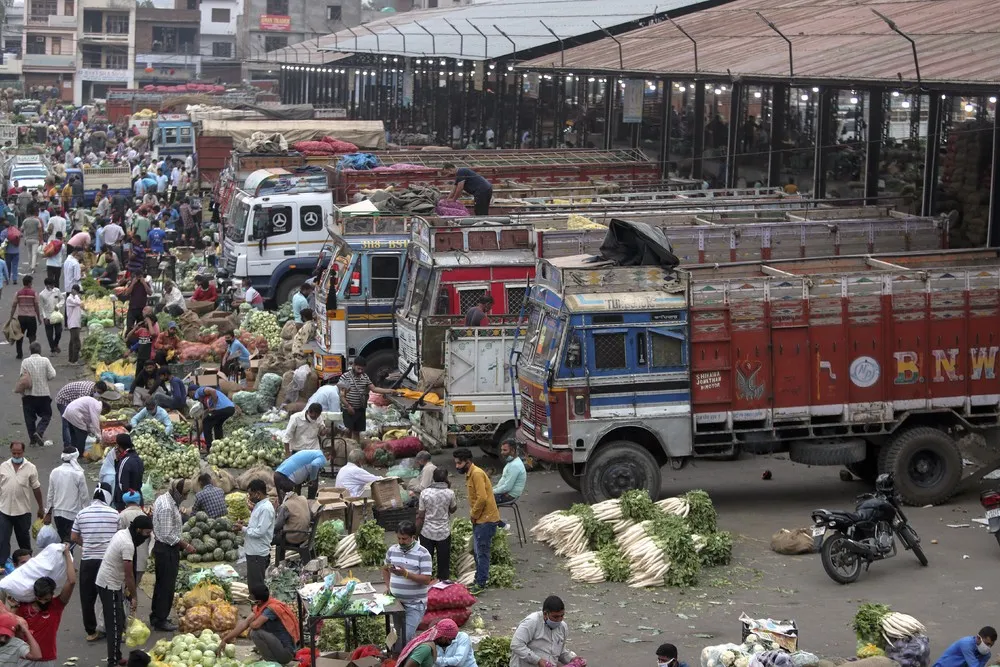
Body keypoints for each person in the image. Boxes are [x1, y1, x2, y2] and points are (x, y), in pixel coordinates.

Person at [95, 516, 153, 667]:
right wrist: (134, 596)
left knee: (119, 621)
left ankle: (117, 656)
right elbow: (129, 574)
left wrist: (128, 590)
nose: (147, 536)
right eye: (146, 533)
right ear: (138, 530)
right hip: (109, 584)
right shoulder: (127, 544)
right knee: (114, 626)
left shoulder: (123, 533)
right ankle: (112, 662)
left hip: (112, 582)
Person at [72, 484, 120, 642]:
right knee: (109, 596)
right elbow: (119, 537)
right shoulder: (114, 514)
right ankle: (112, 628)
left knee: (87, 598)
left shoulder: (82, 513)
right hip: (107, 562)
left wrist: (85, 544)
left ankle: (91, 631)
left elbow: (73, 537)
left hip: (88, 561)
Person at [17, 544, 76, 666]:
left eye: (46, 599)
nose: (43, 602)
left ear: (52, 595)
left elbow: (71, 582)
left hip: (47, 660)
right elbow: (14, 630)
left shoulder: (56, 606)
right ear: (35, 595)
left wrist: (67, 554)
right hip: (24, 659)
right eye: (40, 599)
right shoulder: (23, 607)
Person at [150, 479, 196, 632]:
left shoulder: (164, 499)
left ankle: (157, 616)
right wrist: (185, 545)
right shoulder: (167, 507)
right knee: (166, 586)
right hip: (166, 549)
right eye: (183, 494)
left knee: (161, 583)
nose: (185, 497)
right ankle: (161, 619)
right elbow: (167, 534)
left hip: (165, 548)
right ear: (176, 491)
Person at [218, 583, 299, 666]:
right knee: (255, 630)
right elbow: (244, 624)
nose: (251, 599)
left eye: (252, 597)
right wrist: (225, 639)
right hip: (278, 646)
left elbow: (255, 625)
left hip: (286, 653)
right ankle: (271, 660)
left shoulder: (271, 608)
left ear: (259, 601)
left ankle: (271, 662)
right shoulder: (261, 606)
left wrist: (250, 626)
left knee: (255, 633)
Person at [454, 448, 499, 594]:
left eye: (459, 463)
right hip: (480, 520)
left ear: (468, 461)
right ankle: (478, 579)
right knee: (476, 550)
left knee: (482, 553)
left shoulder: (477, 474)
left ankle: (481, 583)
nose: (457, 467)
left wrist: (473, 514)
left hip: (485, 520)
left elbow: (482, 498)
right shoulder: (471, 474)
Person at [382, 520, 434, 644]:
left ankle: (403, 659)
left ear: (413, 537)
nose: (401, 542)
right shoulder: (392, 550)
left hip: (415, 604)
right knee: (398, 635)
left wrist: (406, 574)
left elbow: (426, 579)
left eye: (404, 539)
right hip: (397, 603)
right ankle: (398, 658)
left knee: (405, 637)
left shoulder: (423, 553)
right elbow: (385, 568)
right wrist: (388, 585)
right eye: (399, 538)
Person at [0, 441, 44, 565]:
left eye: (19, 453)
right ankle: (2, 564)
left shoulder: (30, 468)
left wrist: (41, 507)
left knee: (23, 539)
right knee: (2, 539)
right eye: (14, 453)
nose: (16, 456)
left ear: (23, 452)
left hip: (23, 511)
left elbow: (36, 488)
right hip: (4, 510)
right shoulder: (3, 466)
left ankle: (28, 562)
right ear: (11, 452)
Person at [510, 596, 581, 667]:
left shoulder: (562, 627)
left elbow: (560, 652)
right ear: (545, 614)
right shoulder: (532, 622)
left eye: (562, 616)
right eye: (555, 617)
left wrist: (572, 659)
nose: (559, 620)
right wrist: (538, 660)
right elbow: (516, 645)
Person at [338, 356, 397, 440]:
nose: (360, 371)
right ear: (353, 365)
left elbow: (374, 389)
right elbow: (341, 395)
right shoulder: (345, 377)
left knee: (357, 432)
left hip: (360, 409)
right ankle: (346, 449)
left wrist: (389, 391)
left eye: (362, 369)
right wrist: (348, 406)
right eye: (358, 369)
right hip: (349, 410)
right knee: (348, 431)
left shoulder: (364, 377)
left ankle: (356, 448)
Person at [417, 467, 457, 582]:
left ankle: (424, 583)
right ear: (446, 478)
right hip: (443, 532)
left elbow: (421, 514)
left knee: (425, 561)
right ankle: (442, 585)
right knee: (443, 561)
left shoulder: (424, 493)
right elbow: (453, 509)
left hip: (427, 531)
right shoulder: (450, 493)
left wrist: (416, 532)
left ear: (433, 478)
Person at [45, 446, 89, 541]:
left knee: (62, 541)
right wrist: (86, 514)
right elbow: (84, 496)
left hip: (57, 513)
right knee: (70, 542)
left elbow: (50, 494)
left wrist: (48, 512)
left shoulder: (54, 472)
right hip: (72, 514)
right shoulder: (78, 474)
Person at [56, 380, 113, 449]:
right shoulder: (86, 392)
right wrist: (98, 436)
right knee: (68, 426)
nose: (99, 394)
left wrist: (91, 430)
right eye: (99, 392)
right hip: (64, 400)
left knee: (74, 428)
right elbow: (94, 421)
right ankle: (69, 447)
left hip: (72, 406)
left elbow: (87, 415)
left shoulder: (94, 396)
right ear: (95, 387)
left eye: (101, 393)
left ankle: (73, 448)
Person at [18, 341, 56, 446]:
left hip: (28, 395)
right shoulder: (45, 360)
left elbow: (22, 376)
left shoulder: (25, 361)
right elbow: (52, 375)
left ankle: (32, 440)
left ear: (30, 350)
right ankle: (39, 432)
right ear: (40, 350)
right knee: (47, 415)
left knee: (29, 418)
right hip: (43, 394)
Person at [241, 479, 275, 590]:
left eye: (251, 494)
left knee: (257, 585)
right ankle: (256, 605)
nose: (249, 497)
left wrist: (243, 528)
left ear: (258, 494)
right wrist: (246, 524)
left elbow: (260, 532)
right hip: (253, 551)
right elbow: (257, 525)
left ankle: (258, 605)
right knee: (253, 582)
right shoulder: (259, 506)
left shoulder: (266, 509)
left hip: (257, 553)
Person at [118, 490, 148, 586]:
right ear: (138, 501)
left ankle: (128, 598)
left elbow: (118, 536)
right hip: (141, 558)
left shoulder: (122, 515)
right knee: (134, 584)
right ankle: (132, 597)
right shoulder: (144, 516)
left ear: (125, 502)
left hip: (125, 558)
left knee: (125, 584)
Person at [193, 386, 236, 453]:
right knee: (217, 425)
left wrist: (214, 405)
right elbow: (204, 418)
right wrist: (197, 436)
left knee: (207, 422)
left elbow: (213, 391)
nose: (199, 401)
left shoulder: (199, 391)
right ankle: (219, 446)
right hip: (230, 409)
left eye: (198, 399)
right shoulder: (207, 402)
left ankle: (209, 448)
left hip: (222, 409)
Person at [273, 489, 311, 560]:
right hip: (305, 534)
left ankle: (278, 562)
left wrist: (275, 510)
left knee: (271, 537)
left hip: (293, 537)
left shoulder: (285, 505)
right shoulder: (303, 499)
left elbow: (277, 526)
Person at [10, 274, 42, 359]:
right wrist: (39, 318)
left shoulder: (18, 293)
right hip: (31, 317)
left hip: (21, 317)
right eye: (31, 283)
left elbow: (14, 305)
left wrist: (11, 317)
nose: (32, 284)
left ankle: (19, 354)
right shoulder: (34, 293)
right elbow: (36, 306)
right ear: (28, 283)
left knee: (19, 336)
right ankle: (33, 354)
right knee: (32, 336)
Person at [113, 433, 144, 511]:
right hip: (138, 500)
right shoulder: (138, 459)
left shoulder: (125, 462)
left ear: (119, 446)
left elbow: (122, 485)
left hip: (126, 503)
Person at [493, 440, 526, 505]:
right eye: (501, 450)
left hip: (509, 496)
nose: (502, 453)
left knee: (482, 500)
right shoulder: (513, 462)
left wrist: (491, 491)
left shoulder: (514, 466)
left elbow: (507, 487)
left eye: (505, 450)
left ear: (513, 451)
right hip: (505, 493)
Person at [39, 277, 64, 354]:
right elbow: (41, 307)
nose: (53, 287)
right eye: (51, 285)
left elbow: (62, 299)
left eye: (53, 285)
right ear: (47, 285)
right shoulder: (42, 294)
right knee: (49, 335)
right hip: (48, 316)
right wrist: (44, 317)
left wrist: (58, 305)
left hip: (56, 315)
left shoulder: (57, 291)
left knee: (58, 332)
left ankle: (55, 344)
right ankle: (52, 348)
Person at [21, 208, 42, 273]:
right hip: (35, 239)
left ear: (28, 214)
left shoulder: (25, 221)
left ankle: (30, 266)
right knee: (34, 254)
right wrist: (40, 239)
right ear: (34, 213)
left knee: (29, 253)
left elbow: (21, 229)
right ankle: (33, 267)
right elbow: (40, 230)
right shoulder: (37, 220)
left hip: (27, 239)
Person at [66, 283, 83, 363]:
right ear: (73, 291)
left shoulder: (73, 298)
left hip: (76, 323)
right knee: (76, 342)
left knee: (72, 341)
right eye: (77, 292)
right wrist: (76, 295)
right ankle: (74, 360)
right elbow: (78, 303)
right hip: (73, 323)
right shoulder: (70, 299)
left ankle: (71, 359)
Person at [2, 218, 21, 284]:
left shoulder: (4, 232)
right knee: (15, 266)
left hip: (8, 252)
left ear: (4, 226)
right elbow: (20, 235)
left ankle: (7, 279)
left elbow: (1, 240)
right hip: (16, 251)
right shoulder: (15, 230)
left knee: (7, 266)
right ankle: (15, 279)